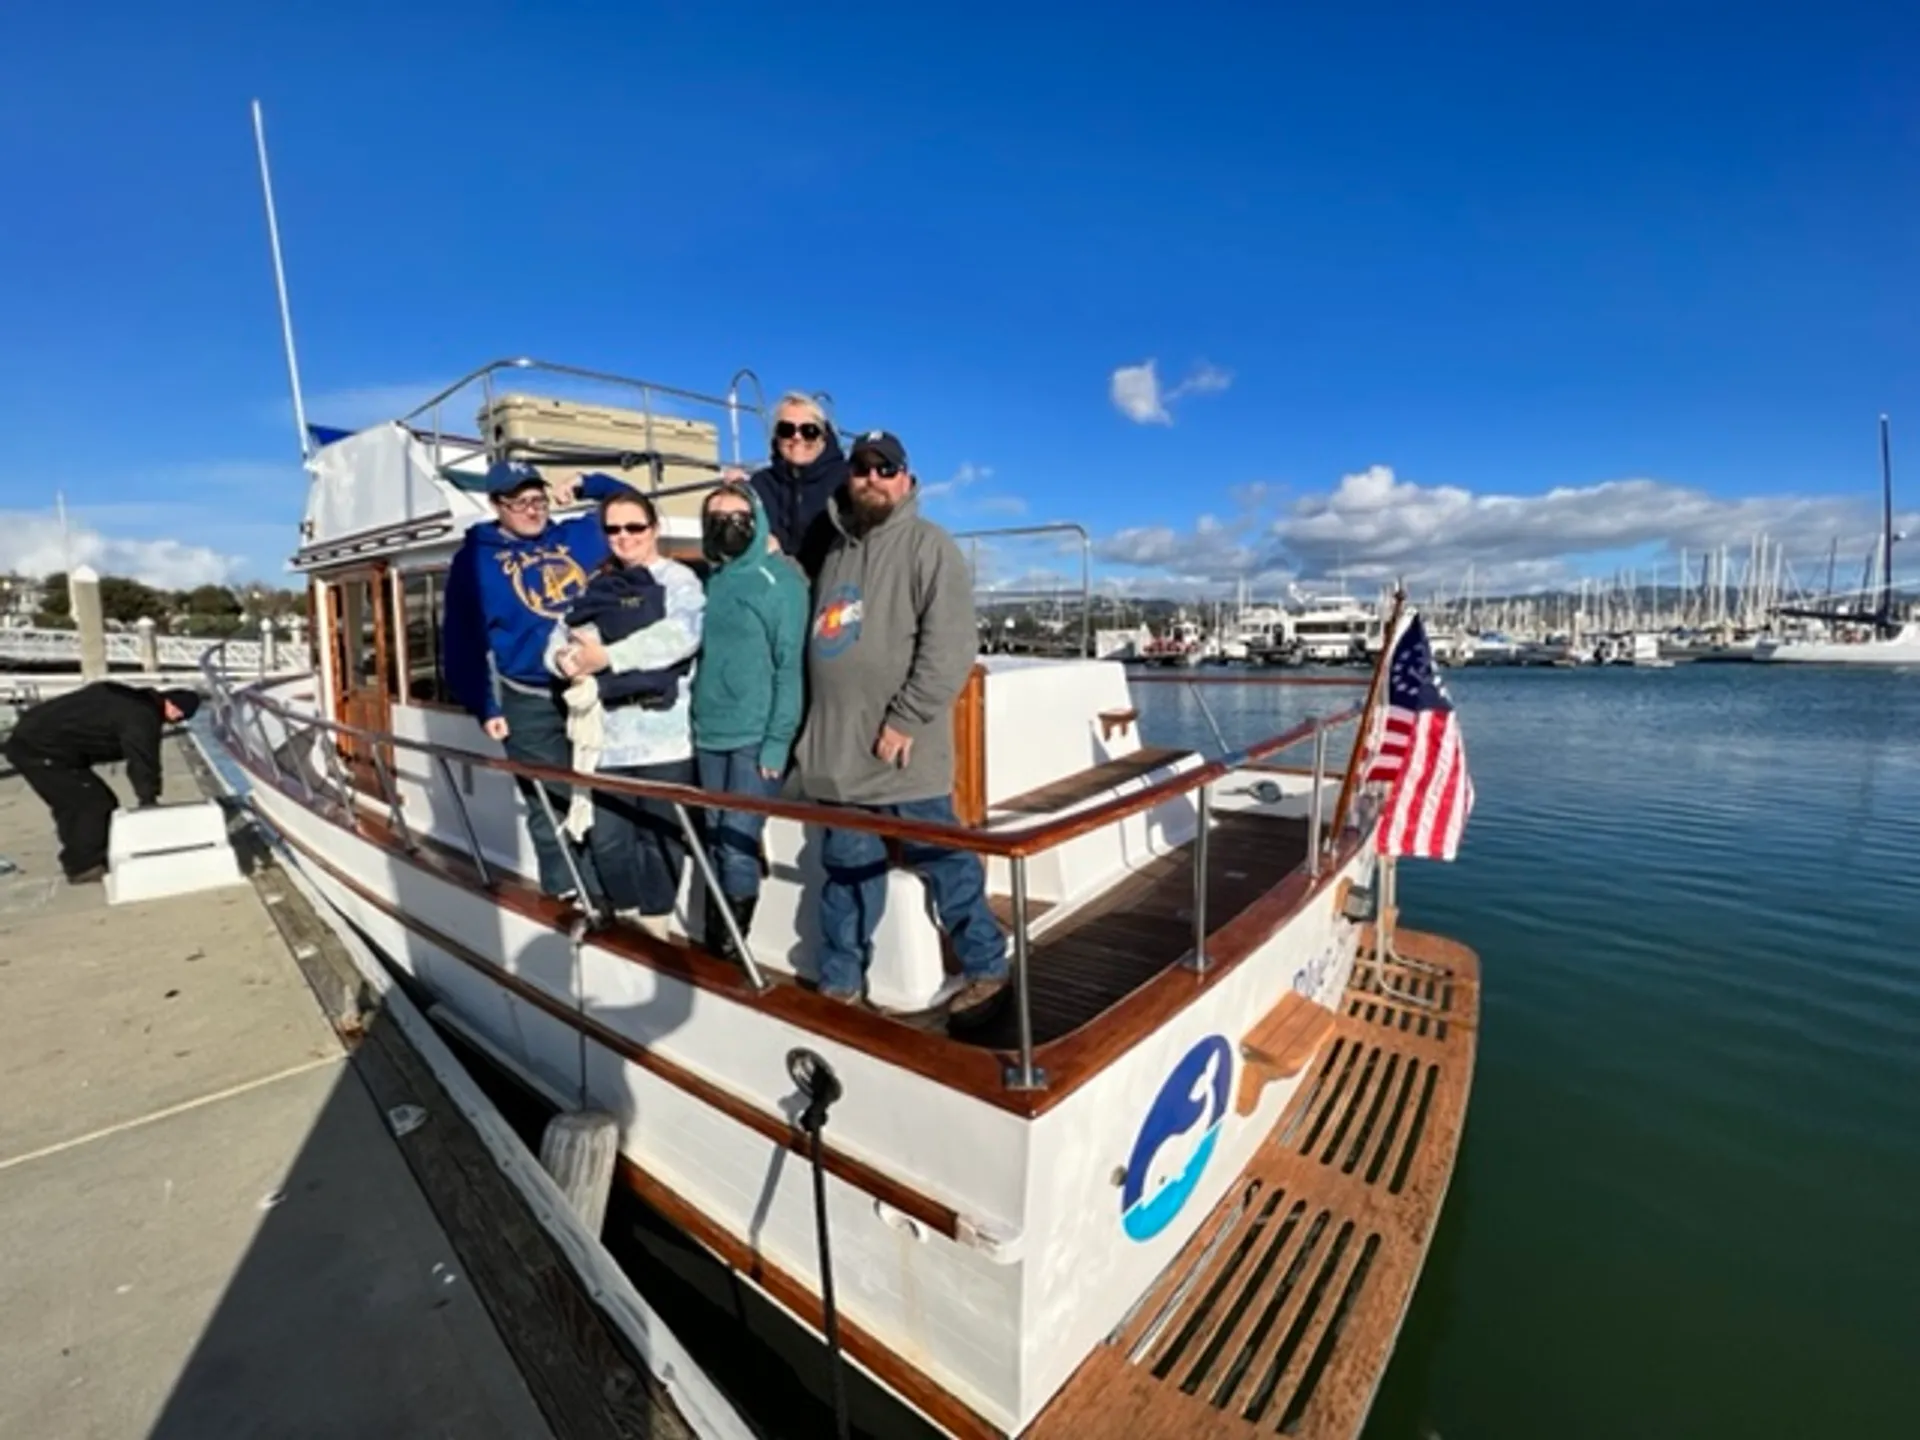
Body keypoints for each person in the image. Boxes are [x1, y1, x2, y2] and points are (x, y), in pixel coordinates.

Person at [794, 430, 1008, 1018]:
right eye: (862, 468)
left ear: (906, 480)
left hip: (901, 752)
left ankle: (987, 965)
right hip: (840, 756)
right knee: (846, 872)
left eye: (885, 468)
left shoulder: (929, 546)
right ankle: (841, 979)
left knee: (947, 864)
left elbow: (951, 648)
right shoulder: (834, 552)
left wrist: (905, 719)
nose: (872, 478)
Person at [441, 461, 636, 901]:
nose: (533, 511)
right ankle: (569, 896)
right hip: (527, 699)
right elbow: (459, 640)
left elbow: (629, 505)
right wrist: (484, 705)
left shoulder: (574, 537)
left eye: (538, 499)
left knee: (604, 793)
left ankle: (610, 894)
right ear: (496, 506)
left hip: (588, 691)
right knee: (551, 801)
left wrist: (591, 481)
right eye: (520, 502)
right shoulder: (473, 559)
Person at [547, 491, 704, 934]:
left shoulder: (679, 581)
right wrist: (564, 660)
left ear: (653, 529)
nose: (624, 537)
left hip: (666, 738)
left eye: (634, 527)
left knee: (662, 841)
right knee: (611, 840)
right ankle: (629, 921)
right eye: (614, 529)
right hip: (607, 741)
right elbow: (561, 636)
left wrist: (607, 658)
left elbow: (682, 636)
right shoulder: (597, 585)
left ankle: (656, 925)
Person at [690, 481, 808, 958]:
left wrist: (777, 742)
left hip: (753, 737)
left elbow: (790, 667)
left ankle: (726, 949)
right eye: (717, 518)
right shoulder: (710, 580)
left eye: (739, 517)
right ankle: (719, 935)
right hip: (707, 732)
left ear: (757, 523)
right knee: (716, 836)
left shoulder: (779, 582)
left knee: (739, 841)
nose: (728, 525)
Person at [4, 682, 199, 883]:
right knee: (91, 805)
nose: (175, 719)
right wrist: (148, 798)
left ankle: (87, 860)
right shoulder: (143, 715)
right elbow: (143, 760)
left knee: (78, 802)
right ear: (173, 704)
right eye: (179, 714)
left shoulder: (128, 698)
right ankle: (84, 867)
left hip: (38, 743)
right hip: (41, 750)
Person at [747, 393, 848, 581]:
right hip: (778, 590)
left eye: (809, 431)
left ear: (824, 436)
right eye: (786, 430)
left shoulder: (847, 480)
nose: (797, 437)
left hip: (832, 590)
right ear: (776, 437)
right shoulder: (760, 484)